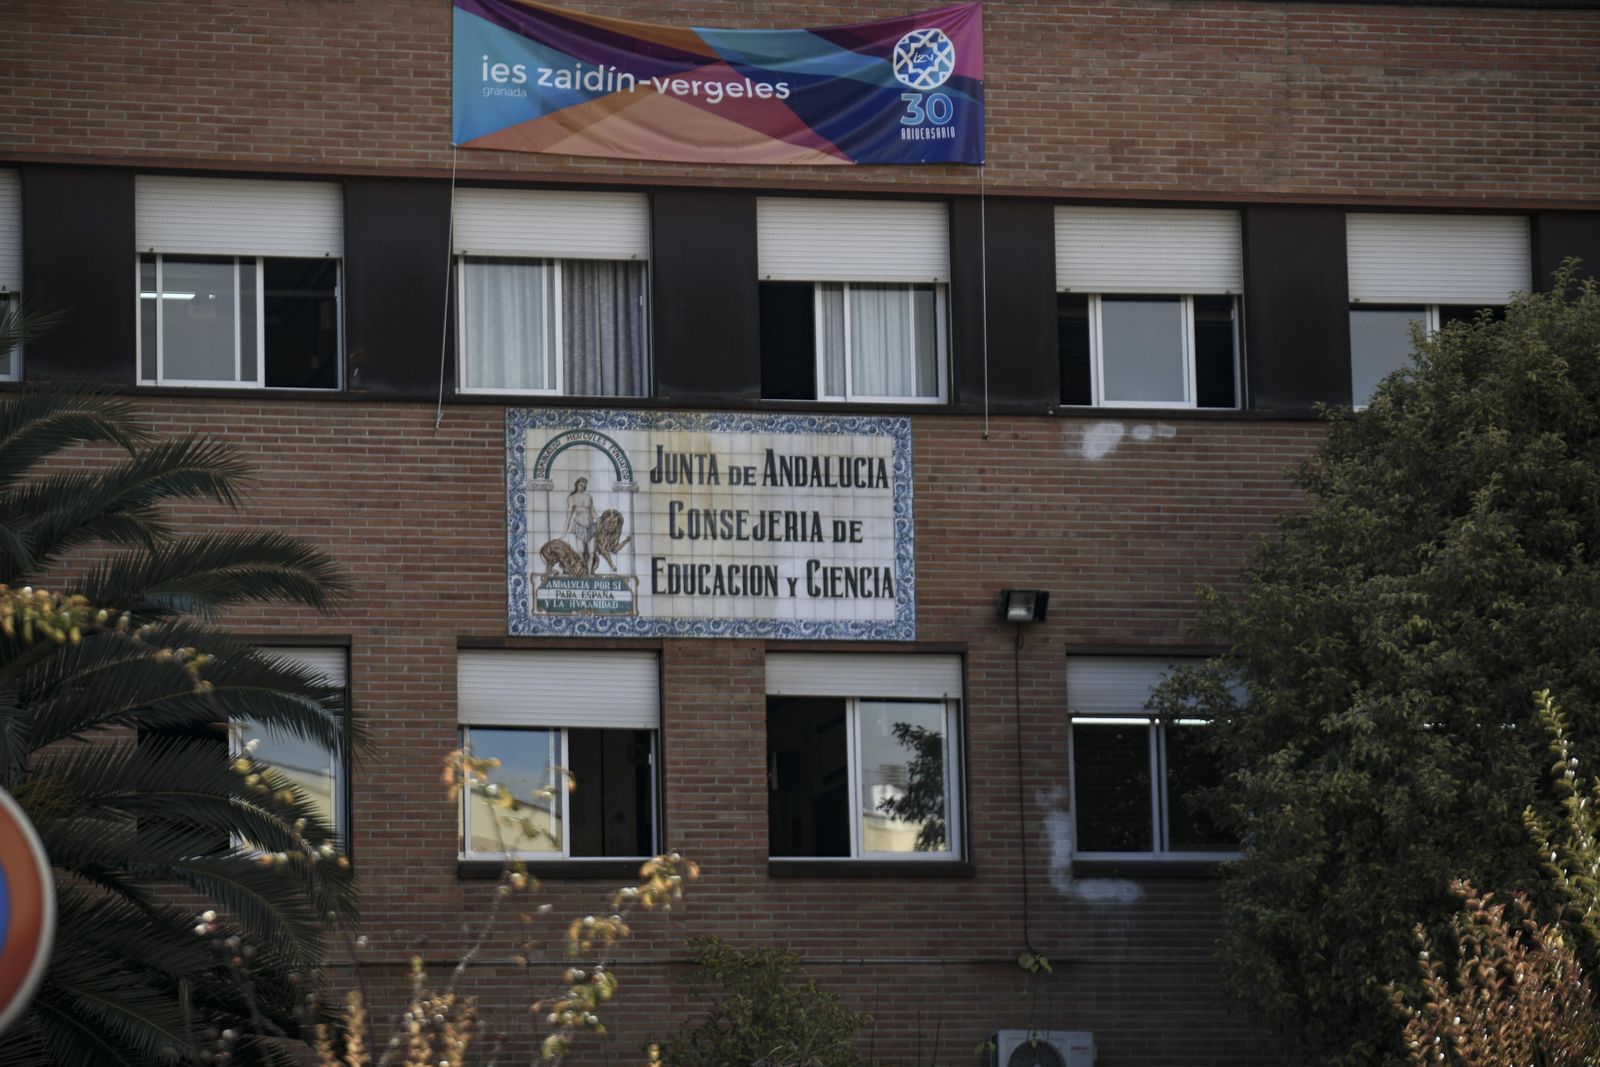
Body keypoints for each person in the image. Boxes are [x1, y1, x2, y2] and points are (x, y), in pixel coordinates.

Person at [564, 477, 598, 571]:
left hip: (591, 525)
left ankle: (590, 572)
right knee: (581, 552)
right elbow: (569, 514)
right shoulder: (572, 497)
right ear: (576, 484)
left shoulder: (589, 496)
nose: (582, 487)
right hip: (579, 525)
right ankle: (581, 570)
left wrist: (600, 519)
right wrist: (565, 529)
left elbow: (593, 511)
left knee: (592, 552)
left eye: (584, 485)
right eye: (580, 484)